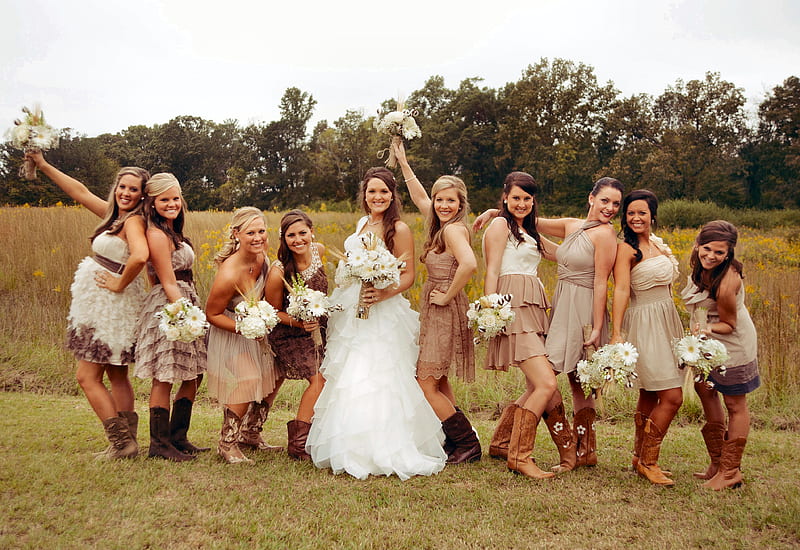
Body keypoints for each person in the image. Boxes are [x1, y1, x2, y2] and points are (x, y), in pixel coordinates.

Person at [305, 167, 447, 480]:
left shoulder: (400, 229)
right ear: (364, 195)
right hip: (353, 308)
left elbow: (407, 275)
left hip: (382, 310)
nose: (377, 197)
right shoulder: (361, 224)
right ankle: (349, 444)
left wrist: (381, 293)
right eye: (372, 191)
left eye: (383, 192)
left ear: (393, 195)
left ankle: (386, 445)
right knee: (350, 372)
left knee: (380, 372)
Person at [474, 177, 623, 471]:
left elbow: (588, 272)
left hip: (564, 306)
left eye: (616, 203)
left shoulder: (601, 235)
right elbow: (519, 231)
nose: (610, 207)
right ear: (591, 198)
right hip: (535, 304)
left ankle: (571, 449)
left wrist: (597, 325)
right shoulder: (563, 225)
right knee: (547, 378)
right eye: (604, 200)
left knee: (568, 379)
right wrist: (496, 214)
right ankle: (520, 448)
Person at [26, 151, 149, 458]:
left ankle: (122, 443)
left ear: (142, 195)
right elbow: (79, 191)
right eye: (122, 186)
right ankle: (128, 443)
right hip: (105, 304)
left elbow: (140, 256)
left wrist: (119, 283)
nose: (126, 193)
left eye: (133, 189)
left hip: (109, 306)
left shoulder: (133, 221)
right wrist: (42, 165)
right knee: (116, 374)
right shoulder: (116, 216)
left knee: (86, 376)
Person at [393, 139, 481, 464]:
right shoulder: (442, 223)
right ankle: (452, 441)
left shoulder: (453, 231)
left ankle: (467, 443)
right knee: (439, 379)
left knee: (425, 382)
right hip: (437, 309)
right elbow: (418, 196)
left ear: (461, 204)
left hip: (445, 308)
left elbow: (470, 264)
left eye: (450, 200)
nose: (443, 205)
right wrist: (403, 162)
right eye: (440, 199)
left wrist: (447, 294)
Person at [482, 172, 561, 479]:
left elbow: (563, 254)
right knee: (545, 384)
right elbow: (492, 269)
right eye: (516, 197)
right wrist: (491, 309)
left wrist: (597, 230)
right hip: (512, 305)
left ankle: (502, 442)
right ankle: (520, 455)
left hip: (533, 305)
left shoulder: (528, 232)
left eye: (527, 198)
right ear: (505, 197)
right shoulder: (501, 225)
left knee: (535, 383)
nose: (522, 203)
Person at [610, 190, 683, 486]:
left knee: (650, 393)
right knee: (673, 396)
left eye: (641, 212)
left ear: (653, 215)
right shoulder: (625, 249)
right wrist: (616, 334)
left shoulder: (657, 244)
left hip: (667, 320)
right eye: (630, 213)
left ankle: (640, 458)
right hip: (645, 321)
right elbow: (621, 290)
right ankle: (650, 461)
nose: (636, 218)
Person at [133, 173, 208, 462]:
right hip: (171, 305)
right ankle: (159, 444)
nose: (172, 203)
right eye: (164, 199)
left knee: (193, 373)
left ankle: (178, 437)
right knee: (165, 375)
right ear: (152, 203)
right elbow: (166, 281)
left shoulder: (172, 231)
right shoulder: (155, 234)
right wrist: (186, 315)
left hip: (185, 297)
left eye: (175, 198)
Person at [681, 220, 759, 490]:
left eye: (719, 253)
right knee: (705, 390)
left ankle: (730, 471)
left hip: (732, 344)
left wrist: (704, 328)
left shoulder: (727, 283)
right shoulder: (700, 264)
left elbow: (729, 324)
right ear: (698, 244)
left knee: (735, 405)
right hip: (708, 342)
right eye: (707, 249)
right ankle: (717, 461)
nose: (711, 256)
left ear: (729, 254)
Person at [206, 207, 282, 464]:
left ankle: (251, 433)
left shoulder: (262, 258)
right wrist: (244, 327)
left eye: (262, 231)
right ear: (237, 234)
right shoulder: (229, 272)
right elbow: (212, 314)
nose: (258, 237)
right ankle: (227, 443)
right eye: (251, 232)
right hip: (230, 332)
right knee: (249, 378)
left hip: (256, 331)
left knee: (275, 374)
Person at [265, 210, 328, 461]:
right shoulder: (278, 270)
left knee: (335, 375)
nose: (298, 239)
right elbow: (272, 312)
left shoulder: (319, 251)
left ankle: (322, 434)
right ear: (284, 238)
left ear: (312, 232)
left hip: (320, 327)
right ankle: (298, 444)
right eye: (291, 235)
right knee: (318, 379)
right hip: (289, 333)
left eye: (303, 233)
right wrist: (301, 324)